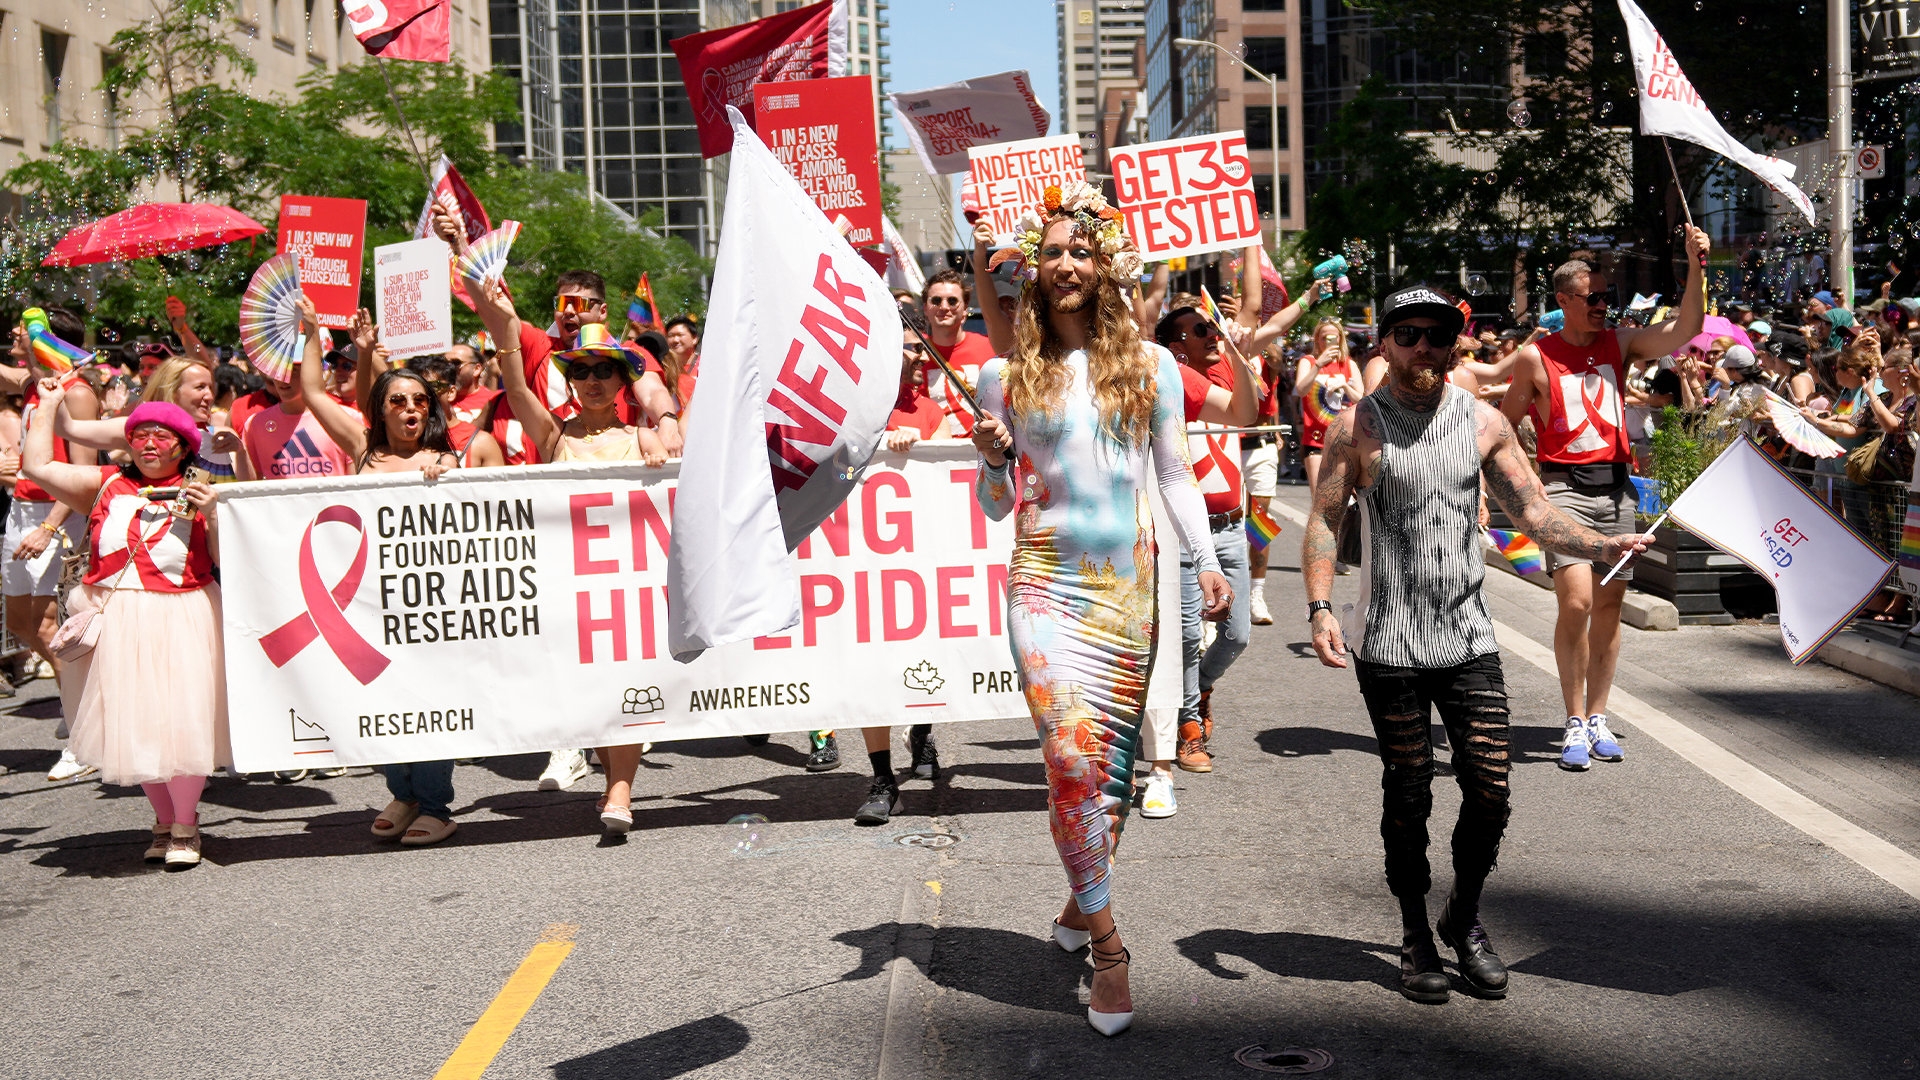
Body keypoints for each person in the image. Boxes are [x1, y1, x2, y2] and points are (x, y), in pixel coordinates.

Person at [1304, 285, 1653, 1004]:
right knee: (1408, 792)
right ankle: (1411, 932)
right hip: (1389, 642)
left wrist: (1601, 541)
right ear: (1386, 342)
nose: (1423, 347)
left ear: (1457, 341)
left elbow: (1534, 512)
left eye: (1437, 334)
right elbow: (1322, 518)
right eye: (1408, 334)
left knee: (1490, 792)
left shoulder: (1485, 422)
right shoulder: (1356, 426)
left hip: (1467, 637)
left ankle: (1463, 918)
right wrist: (1318, 605)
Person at [970, 181, 1230, 1036]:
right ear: (1034, 273)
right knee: (1071, 761)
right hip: (1044, 584)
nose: (1067, 263)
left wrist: (1204, 560)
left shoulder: (1153, 367)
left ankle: (1082, 902)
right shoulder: (1001, 376)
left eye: (1083, 250)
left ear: (1106, 264)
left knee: (1108, 783)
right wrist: (991, 458)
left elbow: (1174, 476)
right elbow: (998, 505)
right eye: (1052, 253)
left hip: (1130, 589)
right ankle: (1111, 952)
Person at [1499, 226, 1708, 771]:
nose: (1602, 306)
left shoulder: (1622, 343)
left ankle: (1598, 717)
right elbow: (1504, 428)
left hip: (1617, 488)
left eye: (1607, 297)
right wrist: (1524, 489)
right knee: (1577, 603)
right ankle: (1572, 721)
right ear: (1564, 300)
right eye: (1592, 298)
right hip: (1564, 489)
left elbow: (1688, 327)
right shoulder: (1533, 358)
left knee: (1610, 608)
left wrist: (1694, 264)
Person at [474, 277, 665, 832]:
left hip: (629, 584)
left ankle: (619, 792)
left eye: (603, 369)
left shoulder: (645, 438)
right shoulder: (554, 437)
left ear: (623, 377)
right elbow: (514, 387)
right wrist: (501, 319)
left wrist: (661, 453)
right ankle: (608, 779)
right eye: (580, 371)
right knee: (592, 694)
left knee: (624, 688)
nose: (591, 380)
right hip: (571, 585)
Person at [23, 392, 227, 868]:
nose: (147, 443)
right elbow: (36, 466)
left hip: (183, 616)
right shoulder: (104, 483)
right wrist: (48, 403)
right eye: (138, 435)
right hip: (115, 618)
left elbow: (223, 558)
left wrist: (214, 514)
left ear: (183, 445)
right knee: (135, 723)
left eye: (161, 435)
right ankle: (162, 821)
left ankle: (185, 825)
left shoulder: (204, 488)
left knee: (182, 723)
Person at [293, 297, 465, 845]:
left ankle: (436, 803)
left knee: (431, 703)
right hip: (373, 605)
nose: (411, 409)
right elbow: (316, 393)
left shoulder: (444, 458)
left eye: (419, 401)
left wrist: (447, 471)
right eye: (398, 401)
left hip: (433, 606)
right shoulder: (362, 449)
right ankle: (404, 791)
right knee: (383, 702)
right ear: (381, 410)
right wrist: (314, 333)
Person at [839, 329, 953, 823]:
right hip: (864, 564)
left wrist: (922, 445)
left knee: (925, 660)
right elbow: (834, 474)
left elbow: (951, 474)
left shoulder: (930, 411)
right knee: (871, 670)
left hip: (920, 559)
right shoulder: (850, 412)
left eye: (915, 346)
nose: (909, 354)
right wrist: (878, 446)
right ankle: (883, 779)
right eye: (899, 343)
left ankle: (922, 732)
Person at [1153, 304, 1261, 785]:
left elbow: (1247, 410)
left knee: (1237, 636)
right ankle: (1187, 725)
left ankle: (1197, 691)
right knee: (1189, 637)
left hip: (1233, 528)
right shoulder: (1167, 377)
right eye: (1201, 329)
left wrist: (1237, 348)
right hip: (1185, 534)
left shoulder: (1216, 374)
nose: (1212, 333)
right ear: (1176, 346)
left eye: (1213, 326)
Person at [9, 309, 100, 782]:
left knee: (50, 627)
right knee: (20, 622)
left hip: (56, 516)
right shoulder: (33, 385)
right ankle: (83, 702)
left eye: (24, 331)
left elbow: (85, 474)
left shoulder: (79, 392)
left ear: (48, 340)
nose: (13, 335)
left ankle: (85, 735)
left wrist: (52, 525)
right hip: (20, 512)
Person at [920, 267, 999, 436]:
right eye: (936, 300)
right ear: (925, 308)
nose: (944, 307)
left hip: (982, 453)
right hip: (934, 454)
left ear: (965, 309)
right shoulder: (914, 355)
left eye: (953, 301)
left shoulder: (990, 348)